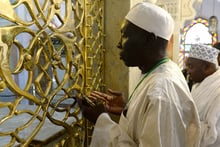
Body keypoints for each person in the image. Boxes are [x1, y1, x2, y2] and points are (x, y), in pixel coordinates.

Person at [78, 2, 201, 147]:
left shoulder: (162, 90)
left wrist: (102, 121)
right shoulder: (160, 70)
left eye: (124, 36)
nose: (119, 44)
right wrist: (128, 110)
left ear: (149, 39)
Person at [186, 43, 220, 147]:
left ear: (206, 67)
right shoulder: (199, 84)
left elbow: (213, 134)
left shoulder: (218, 90)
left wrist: (181, 123)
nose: (187, 71)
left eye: (190, 66)